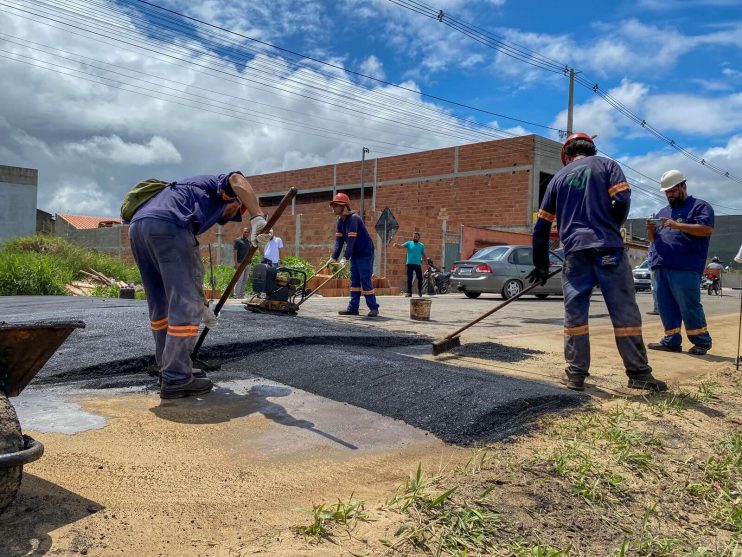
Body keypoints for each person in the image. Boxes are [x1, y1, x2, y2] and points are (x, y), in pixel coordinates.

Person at [529, 132, 665, 392]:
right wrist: (611, 227)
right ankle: (639, 374)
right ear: (591, 150)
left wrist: (541, 264)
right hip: (609, 250)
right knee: (624, 311)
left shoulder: (557, 179)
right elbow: (623, 198)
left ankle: (576, 375)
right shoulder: (607, 165)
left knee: (575, 315)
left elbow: (541, 227)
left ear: (566, 156)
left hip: (575, 253)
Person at [128, 172, 268, 399]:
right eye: (235, 211)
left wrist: (202, 304)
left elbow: (183, 279)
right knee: (186, 307)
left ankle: (168, 368)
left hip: (139, 228)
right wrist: (257, 217)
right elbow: (237, 178)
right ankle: (176, 377)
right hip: (169, 226)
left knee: (160, 304)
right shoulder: (218, 188)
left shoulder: (184, 193)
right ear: (235, 201)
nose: (232, 216)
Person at [646, 170, 715, 355]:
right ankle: (671, 341)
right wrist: (650, 228)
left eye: (673, 191)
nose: (669, 195)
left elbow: (706, 229)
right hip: (661, 264)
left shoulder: (700, 207)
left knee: (688, 304)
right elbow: (653, 239)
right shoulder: (663, 212)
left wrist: (677, 225)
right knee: (665, 305)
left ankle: (701, 341)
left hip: (685, 265)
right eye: (667, 192)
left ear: (683, 186)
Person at [328, 192, 380, 317]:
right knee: (355, 280)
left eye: (336, 205)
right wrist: (333, 257)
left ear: (344, 206)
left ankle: (373, 308)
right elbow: (339, 242)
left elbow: (351, 241)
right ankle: (353, 308)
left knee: (364, 278)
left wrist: (345, 258)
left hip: (365, 252)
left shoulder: (354, 219)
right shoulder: (340, 221)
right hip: (356, 253)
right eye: (333, 205)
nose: (334, 208)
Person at [393, 232, 426, 297]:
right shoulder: (409, 243)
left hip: (417, 264)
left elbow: (424, 255)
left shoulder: (421, 245)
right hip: (409, 264)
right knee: (409, 278)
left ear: (419, 238)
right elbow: (401, 246)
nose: (415, 238)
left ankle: (419, 291)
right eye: (414, 236)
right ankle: (409, 292)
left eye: (416, 237)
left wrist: (427, 264)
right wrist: (396, 245)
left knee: (420, 278)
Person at [233, 227, 252, 299]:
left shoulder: (249, 242)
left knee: (245, 279)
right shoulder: (238, 240)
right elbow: (235, 252)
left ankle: (241, 294)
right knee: (239, 279)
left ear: (249, 234)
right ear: (243, 232)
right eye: (245, 232)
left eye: (247, 232)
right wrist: (236, 263)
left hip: (248, 263)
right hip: (240, 263)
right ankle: (236, 295)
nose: (246, 233)